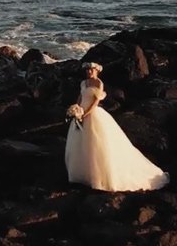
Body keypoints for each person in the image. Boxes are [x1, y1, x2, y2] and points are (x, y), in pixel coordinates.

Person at [64, 62, 169, 192]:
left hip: (92, 114)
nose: (89, 72)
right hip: (81, 113)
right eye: (87, 70)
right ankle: (82, 174)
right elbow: (80, 97)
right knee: (79, 142)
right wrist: (77, 109)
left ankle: (97, 176)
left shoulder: (98, 83)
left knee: (95, 144)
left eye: (91, 70)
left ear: (96, 71)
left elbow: (95, 102)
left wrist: (86, 113)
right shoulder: (83, 83)